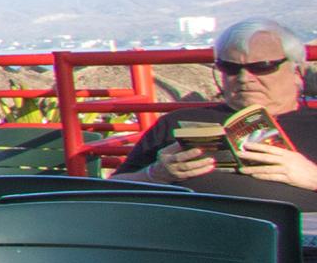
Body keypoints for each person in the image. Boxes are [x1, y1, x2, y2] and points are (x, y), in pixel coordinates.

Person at [114, 17, 317, 204]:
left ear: (297, 72)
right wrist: (155, 175)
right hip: (195, 233)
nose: (244, 78)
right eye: (230, 68)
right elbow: (113, 190)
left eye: (262, 67)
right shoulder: (177, 122)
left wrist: (312, 178)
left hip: (298, 236)